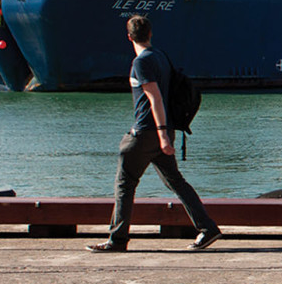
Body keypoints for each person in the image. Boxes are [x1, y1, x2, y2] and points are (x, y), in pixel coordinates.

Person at [90, 14, 221, 253]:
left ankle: (117, 239)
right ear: (150, 34)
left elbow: (155, 98)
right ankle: (208, 228)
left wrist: (161, 135)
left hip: (147, 133)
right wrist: (166, 133)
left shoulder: (141, 62)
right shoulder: (161, 56)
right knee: (176, 182)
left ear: (129, 37)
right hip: (163, 130)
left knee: (124, 184)